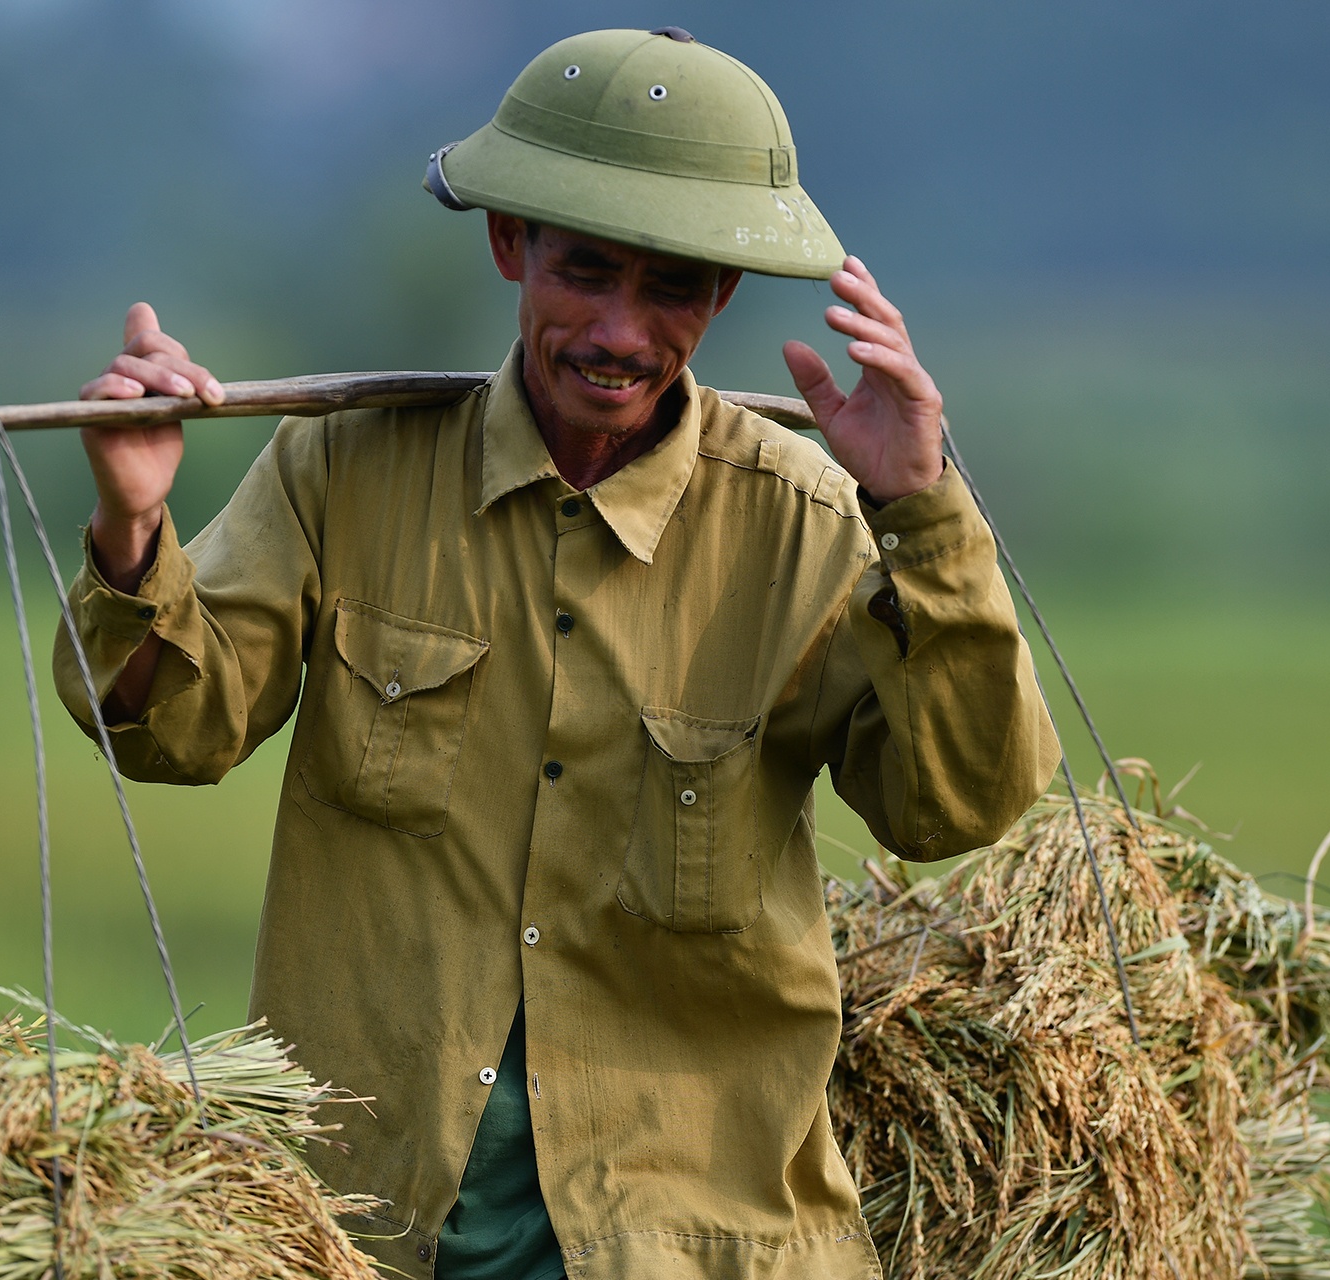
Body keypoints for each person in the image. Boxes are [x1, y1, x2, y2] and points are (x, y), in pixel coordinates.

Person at [56, 27, 1059, 1280]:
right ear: (509, 247)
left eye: (673, 288)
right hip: (366, 1224)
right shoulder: (344, 468)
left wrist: (923, 508)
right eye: (586, 273)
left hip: (696, 1238)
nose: (622, 332)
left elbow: (953, 801)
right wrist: (131, 521)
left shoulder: (807, 519)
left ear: (723, 298)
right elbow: (168, 728)